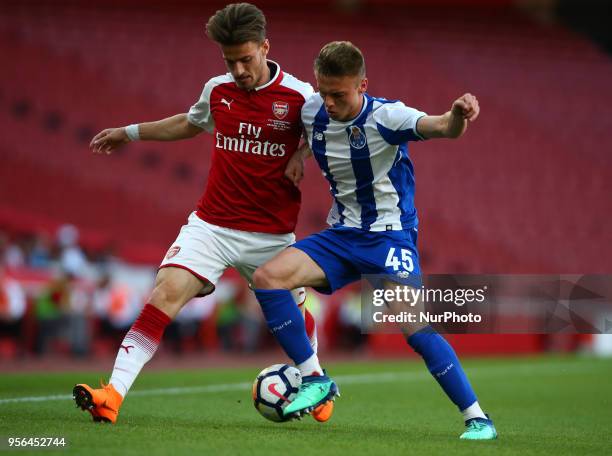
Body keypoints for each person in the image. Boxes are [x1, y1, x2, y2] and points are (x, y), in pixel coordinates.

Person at [73, 3, 329, 424]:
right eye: (231, 61)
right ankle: (112, 395)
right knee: (164, 293)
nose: (240, 70)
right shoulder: (218, 90)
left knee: (294, 316)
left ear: (265, 47)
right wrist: (128, 132)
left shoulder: (300, 97)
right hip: (212, 225)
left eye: (246, 59)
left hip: (270, 235)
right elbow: (189, 124)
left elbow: (327, 135)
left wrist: (300, 153)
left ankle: (316, 381)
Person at [252, 41, 497, 439]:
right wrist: (300, 153)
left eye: (339, 94)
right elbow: (318, 134)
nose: (328, 102)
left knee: (414, 327)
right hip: (341, 235)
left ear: (362, 85)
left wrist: (456, 114)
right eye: (324, 91)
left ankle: (477, 417)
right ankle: (315, 377)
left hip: (389, 239)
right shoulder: (312, 109)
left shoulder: (388, 116)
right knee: (267, 277)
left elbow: (442, 128)